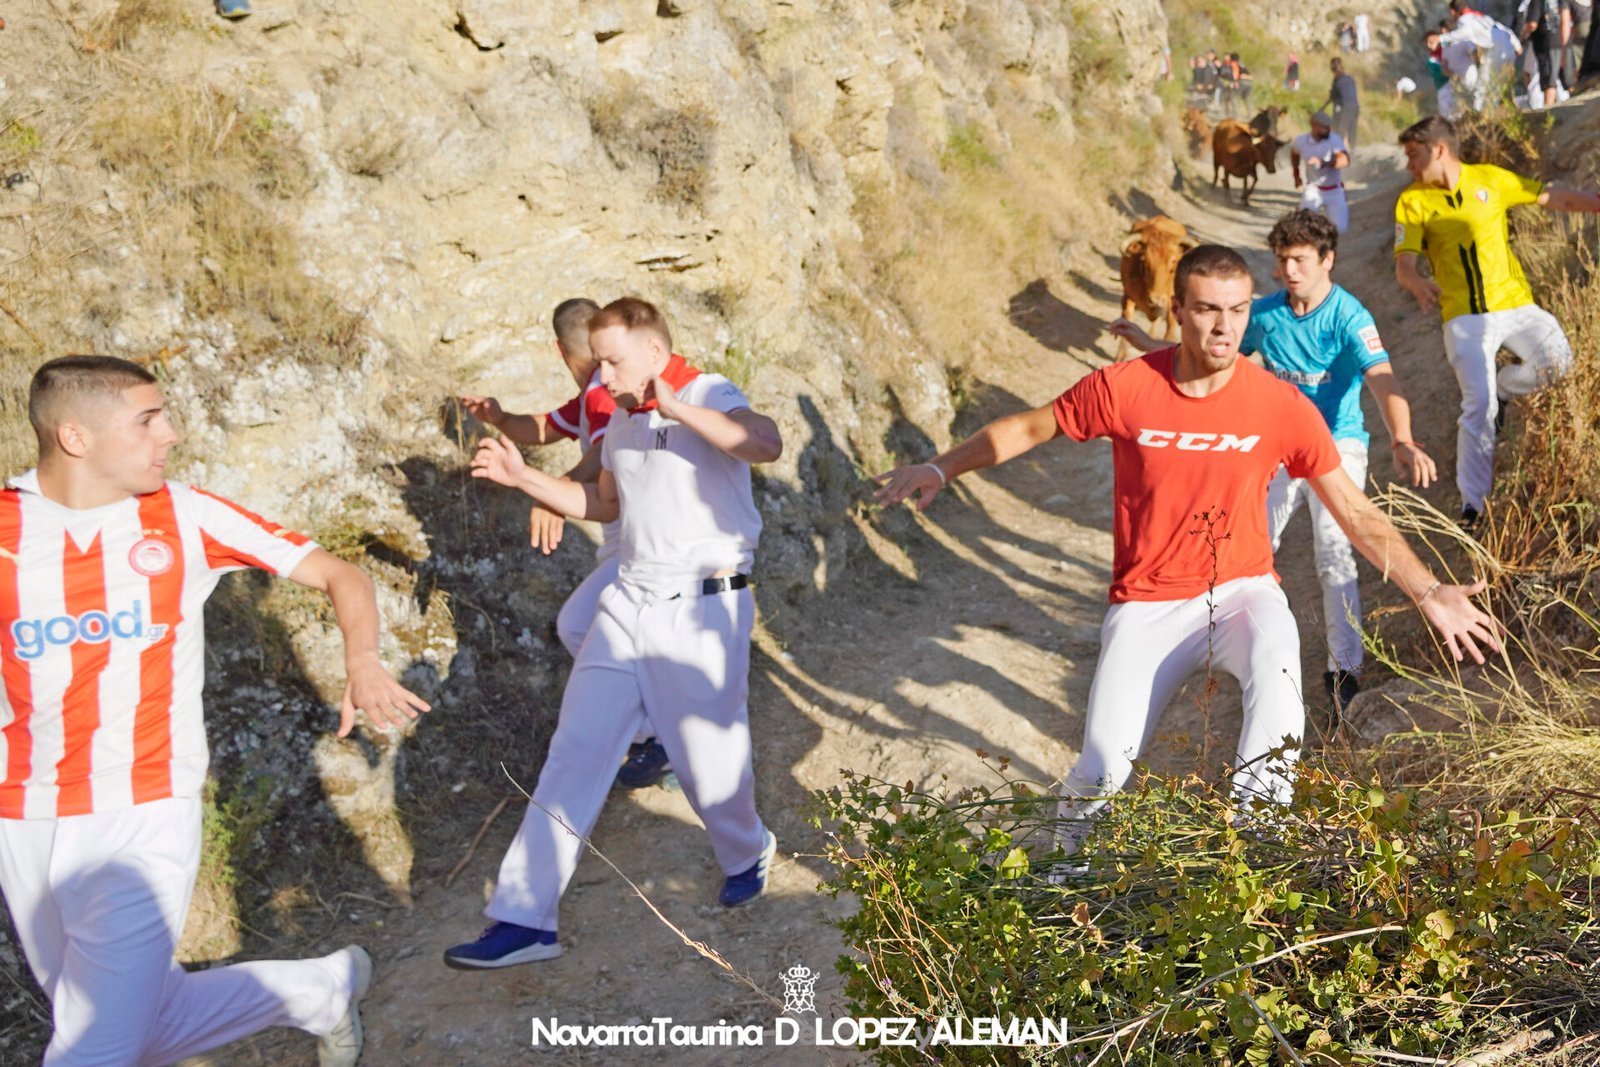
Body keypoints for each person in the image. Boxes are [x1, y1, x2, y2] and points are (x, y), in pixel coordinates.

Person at [877, 245, 1498, 851]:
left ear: (1251, 309)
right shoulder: (1125, 387)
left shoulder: (1281, 406)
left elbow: (1355, 511)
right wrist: (940, 468)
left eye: (1236, 309)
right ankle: (1062, 873)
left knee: (1279, 673)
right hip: (1146, 603)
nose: (1224, 326)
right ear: (1177, 309)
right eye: (1207, 309)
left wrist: (1429, 590)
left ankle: (1257, 852)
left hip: (1240, 594)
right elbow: (1028, 426)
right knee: (1101, 769)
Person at [0, 356, 431, 1066]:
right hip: (24, 814)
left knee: (91, 1050)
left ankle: (318, 990)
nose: (170, 433)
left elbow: (338, 571)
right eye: (147, 420)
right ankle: (320, 989)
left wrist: (360, 658)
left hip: (143, 810)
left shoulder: (184, 514)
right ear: (75, 436)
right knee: (120, 1030)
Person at [444, 297, 783, 969]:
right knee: (575, 750)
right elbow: (602, 502)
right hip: (629, 600)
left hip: (702, 606)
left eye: (611, 359)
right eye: (596, 359)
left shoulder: (707, 389)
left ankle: (748, 847)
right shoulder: (618, 420)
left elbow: (765, 442)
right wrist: (523, 478)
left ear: (655, 354)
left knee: (711, 769)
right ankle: (525, 918)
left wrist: (674, 408)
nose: (599, 372)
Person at [1114, 213, 1437, 713]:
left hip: (1336, 445)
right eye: (1283, 259)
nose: (1289, 270)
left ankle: (1344, 669)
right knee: (1248, 541)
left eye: (1301, 260)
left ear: (1327, 260)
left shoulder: (1351, 317)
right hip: (1279, 445)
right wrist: (1144, 342)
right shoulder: (1264, 315)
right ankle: (1208, 646)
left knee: (1335, 554)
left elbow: (1384, 381)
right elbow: (1203, 351)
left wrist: (1404, 439)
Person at [458, 299, 673, 791]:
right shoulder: (593, 396)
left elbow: (604, 451)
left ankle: (658, 736)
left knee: (578, 627)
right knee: (608, 633)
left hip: (633, 537)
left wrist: (554, 492)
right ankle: (662, 730)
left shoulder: (602, 394)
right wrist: (499, 416)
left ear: (558, 350)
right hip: (626, 536)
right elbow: (543, 426)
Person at [1393, 116, 1600, 525]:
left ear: (1439, 150)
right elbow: (1404, 263)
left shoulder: (1491, 179)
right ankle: (1473, 505)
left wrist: (1595, 202)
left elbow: (1550, 197)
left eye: (1414, 155)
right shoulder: (1412, 201)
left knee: (1560, 363)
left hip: (1517, 305)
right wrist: (1416, 281)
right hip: (1464, 318)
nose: (1408, 166)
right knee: (1479, 407)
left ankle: (1508, 384)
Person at [1291, 111, 1352, 232]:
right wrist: (1296, 174)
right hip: (1313, 188)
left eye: (1329, 127)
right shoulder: (1301, 141)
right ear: (1314, 126)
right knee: (1303, 223)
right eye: (1324, 127)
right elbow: (1294, 153)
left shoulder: (1334, 140)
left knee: (1340, 228)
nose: (1328, 130)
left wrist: (1324, 163)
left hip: (1334, 190)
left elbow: (1344, 160)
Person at [1519, 0, 1564, 106]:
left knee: (1548, 80)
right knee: (1553, 77)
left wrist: (1522, 37)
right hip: (1558, 40)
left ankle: (1548, 110)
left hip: (1545, 43)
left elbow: (1532, 24)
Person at [1323, 57, 1361, 151]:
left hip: (1344, 108)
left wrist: (1322, 108)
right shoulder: (1350, 79)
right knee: (1352, 131)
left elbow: (1333, 98)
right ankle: (1353, 152)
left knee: (1338, 132)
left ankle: (1337, 154)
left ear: (1333, 70)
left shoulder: (1337, 81)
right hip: (1355, 107)